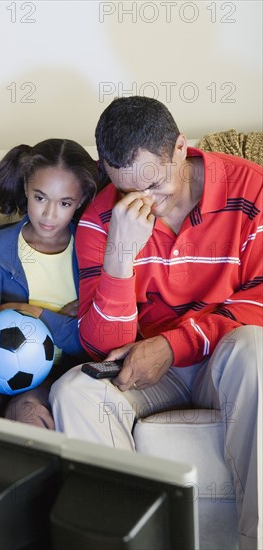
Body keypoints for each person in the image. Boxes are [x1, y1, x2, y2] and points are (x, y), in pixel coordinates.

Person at [48, 97, 262, 549]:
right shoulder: (101, 220)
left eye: (157, 183)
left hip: (225, 359)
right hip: (150, 372)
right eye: (129, 189)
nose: (147, 202)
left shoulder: (253, 190)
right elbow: (101, 345)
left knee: (255, 349)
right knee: (74, 391)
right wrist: (120, 255)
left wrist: (175, 345)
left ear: (181, 148)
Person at [0, 138, 98, 428]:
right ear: (25, 188)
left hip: (57, 372)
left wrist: (35, 313)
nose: (50, 214)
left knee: (29, 414)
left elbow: (96, 340)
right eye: (40, 198)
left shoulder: (95, 253)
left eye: (65, 203)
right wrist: (61, 320)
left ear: (82, 200)